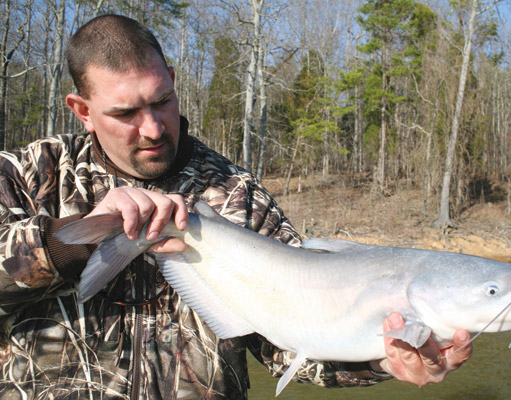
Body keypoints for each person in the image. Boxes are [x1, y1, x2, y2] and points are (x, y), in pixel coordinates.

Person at [0, 14, 472, 399]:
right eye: (125, 113)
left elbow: (290, 345)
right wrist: (73, 240)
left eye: (162, 101)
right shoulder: (28, 174)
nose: (153, 128)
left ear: (173, 81)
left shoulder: (237, 193)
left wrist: (381, 356)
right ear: (82, 110)